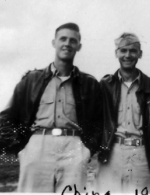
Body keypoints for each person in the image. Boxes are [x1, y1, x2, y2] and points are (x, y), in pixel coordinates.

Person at [0, 23, 103, 193]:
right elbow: (6, 116)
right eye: (63, 39)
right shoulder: (32, 80)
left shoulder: (89, 84)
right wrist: (20, 148)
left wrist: (87, 150)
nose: (67, 44)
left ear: (79, 46)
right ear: (53, 42)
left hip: (74, 147)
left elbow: (100, 122)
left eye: (72, 40)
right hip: (38, 145)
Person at [96, 33, 150, 193]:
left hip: (143, 156)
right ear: (116, 53)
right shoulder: (104, 86)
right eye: (123, 50)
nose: (127, 55)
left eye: (133, 51)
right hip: (111, 153)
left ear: (140, 54)